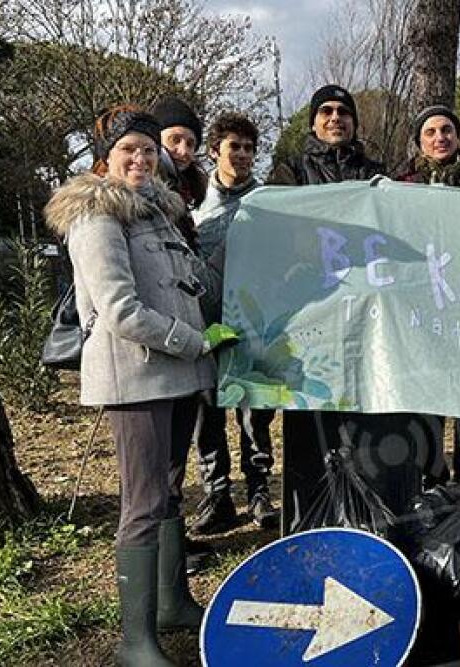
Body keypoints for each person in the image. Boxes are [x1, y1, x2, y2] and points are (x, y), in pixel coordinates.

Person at [44, 105, 237, 666]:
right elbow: (120, 310)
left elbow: (187, 283)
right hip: (136, 378)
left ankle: (172, 604)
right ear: (105, 158)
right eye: (129, 149)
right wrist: (194, 342)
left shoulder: (159, 212)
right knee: (143, 502)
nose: (141, 159)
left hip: (176, 376)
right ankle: (135, 642)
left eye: (149, 151)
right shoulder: (96, 216)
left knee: (169, 492)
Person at [267, 84, 433, 532]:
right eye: (325, 111)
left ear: (355, 122)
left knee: (370, 421)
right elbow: (272, 232)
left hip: (366, 321)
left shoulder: (377, 176)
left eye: (343, 111)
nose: (335, 118)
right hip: (311, 320)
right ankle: (311, 526)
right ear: (313, 122)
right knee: (313, 427)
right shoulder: (290, 173)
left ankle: (373, 523)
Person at [188, 112, 280, 534]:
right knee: (206, 414)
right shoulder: (193, 202)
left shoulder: (267, 202)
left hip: (254, 323)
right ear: (214, 151)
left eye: (248, 148)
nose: (242, 154)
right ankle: (218, 494)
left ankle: (259, 491)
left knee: (255, 413)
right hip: (203, 324)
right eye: (234, 147)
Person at [395, 104, 460, 488]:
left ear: (458, 136)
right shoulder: (401, 185)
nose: (440, 138)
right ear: (419, 141)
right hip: (424, 306)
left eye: (447, 130)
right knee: (429, 395)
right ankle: (432, 480)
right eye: (431, 132)